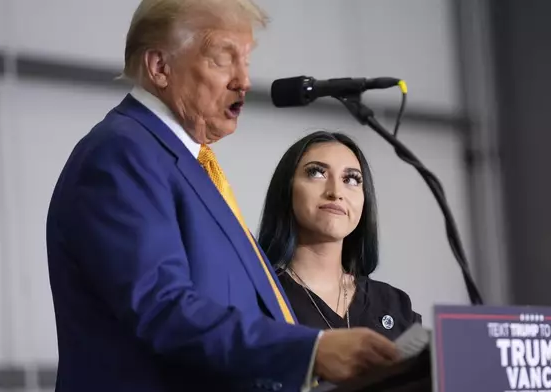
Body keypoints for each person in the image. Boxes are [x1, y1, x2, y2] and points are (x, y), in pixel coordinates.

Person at [45, 1, 400, 391]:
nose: (244, 80)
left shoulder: (188, 164)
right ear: (160, 67)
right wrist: (311, 350)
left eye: (246, 60)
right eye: (223, 59)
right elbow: (163, 308)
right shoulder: (121, 154)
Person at [257, 131, 423, 341]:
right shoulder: (260, 297)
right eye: (317, 173)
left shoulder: (395, 305)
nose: (336, 192)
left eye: (351, 179)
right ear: (286, 190)